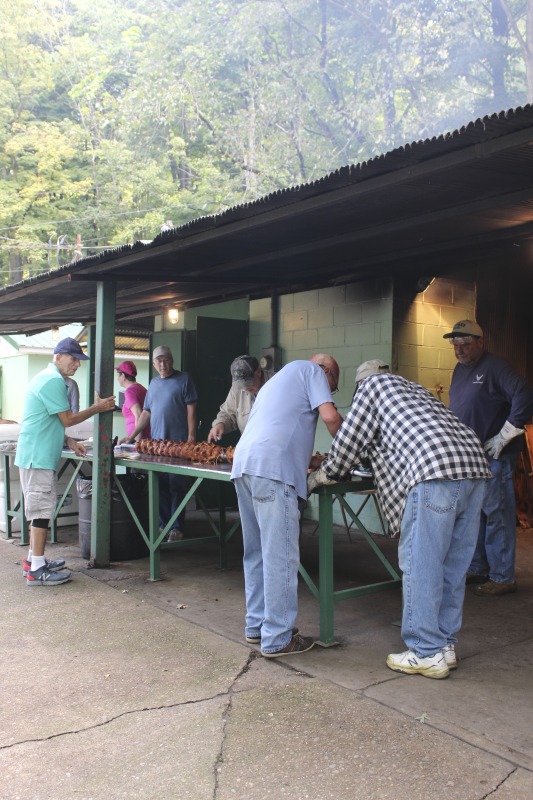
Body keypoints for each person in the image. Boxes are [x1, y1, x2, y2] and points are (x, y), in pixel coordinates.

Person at [308, 363, 491, 679]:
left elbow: (349, 440)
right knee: (452, 567)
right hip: (474, 468)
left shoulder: (372, 387)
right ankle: (444, 645)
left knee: (422, 563)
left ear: (360, 382)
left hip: (435, 472)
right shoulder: (415, 390)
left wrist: (326, 473)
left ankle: (424, 651)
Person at [231, 354, 343, 657]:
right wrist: (351, 451)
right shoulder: (312, 370)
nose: (328, 392)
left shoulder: (275, 381)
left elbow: (282, 430)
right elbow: (331, 419)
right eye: (332, 387)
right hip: (272, 470)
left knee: (256, 551)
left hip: (245, 465)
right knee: (280, 555)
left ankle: (256, 625)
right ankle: (279, 637)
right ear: (328, 374)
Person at [15, 337, 115, 586]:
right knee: (40, 513)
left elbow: (52, 421)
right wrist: (97, 408)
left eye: (79, 361)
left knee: (39, 510)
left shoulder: (48, 378)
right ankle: (37, 571)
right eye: (73, 360)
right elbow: (68, 418)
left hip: (36, 455)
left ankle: (33, 561)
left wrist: (69, 441)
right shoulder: (53, 381)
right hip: (37, 457)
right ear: (58, 356)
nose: (76, 365)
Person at [444, 319, 533, 596]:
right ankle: (479, 567)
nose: (459, 349)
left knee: (497, 513)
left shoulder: (495, 367)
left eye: (466, 344)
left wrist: (507, 432)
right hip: (471, 455)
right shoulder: (460, 369)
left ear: (480, 343)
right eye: (456, 344)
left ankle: (503, 576)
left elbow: (524, 393)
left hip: (495, 454)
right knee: (475, 515)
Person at [122, 345, 197, 541]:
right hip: (157, 446)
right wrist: (131, 437)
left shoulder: (184, 379)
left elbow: (191, 409)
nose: (162, 364)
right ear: (154, 364)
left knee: (176, 485)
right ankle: (164, 524)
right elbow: (146, 413)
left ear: (172, 360)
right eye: (159, 361)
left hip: (178, 444)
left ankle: (177, 528)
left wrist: (191, 437)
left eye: (166, 360)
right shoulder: (153, 384)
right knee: (160, 485)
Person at [208, 355, 267, 441]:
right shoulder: (237, 389)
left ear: (258, 372)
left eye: (248, 384)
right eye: (241, 386)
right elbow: (228, 413)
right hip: (248, 444)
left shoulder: (277, 384)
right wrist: (220, 424)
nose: (245, 389)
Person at [115, 360, 150, 441]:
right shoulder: (141, 388)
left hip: (140, 439)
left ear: (123, 376)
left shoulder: (130, 392)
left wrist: (137, 443)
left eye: (118, 375)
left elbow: (139, 416)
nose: (117, 378)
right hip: (146, 438)